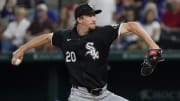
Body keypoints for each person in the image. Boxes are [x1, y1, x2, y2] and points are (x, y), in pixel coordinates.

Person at [11, 4, 163, 101]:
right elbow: (45, 38)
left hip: (104, 95)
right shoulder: (65, 37)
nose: (94, 18)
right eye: (90, 16)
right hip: (80, 96)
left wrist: (153, 45)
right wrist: (21, 49)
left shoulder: (102, 33)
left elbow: (132, 26)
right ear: (79, 19)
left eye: (94, 15)